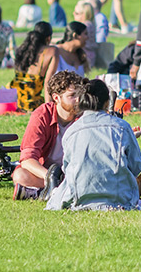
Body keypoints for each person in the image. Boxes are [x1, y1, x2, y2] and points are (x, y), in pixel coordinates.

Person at [46, 79, 141, 211]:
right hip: (120, 200)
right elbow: (137, 167)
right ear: (107, 102)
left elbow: (67, 169)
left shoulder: (71, 132)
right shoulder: (123, 127)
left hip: (79, 198)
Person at [12, 71, 85, 200]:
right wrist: (51, 178)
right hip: (47, 172)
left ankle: (40, 193)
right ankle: (62, 190)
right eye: (72, 95)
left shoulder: (85, 116)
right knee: (20, 176)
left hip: (76, 172)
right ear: (56, 98)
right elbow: (27, 159)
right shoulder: (42, 115)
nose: (78, 100)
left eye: (80, 95)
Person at [10, 23, 56, 112]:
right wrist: (49, 107)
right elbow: (48, 81)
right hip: (31, 104)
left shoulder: (24, 49)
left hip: (14, 101)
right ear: (49, 38)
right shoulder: (52, 51)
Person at [73, 0, 98, 65]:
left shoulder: (84, 27)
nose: (73, 14)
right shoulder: (91, 24)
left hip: (84, 56)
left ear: (83, 14)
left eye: (76, 13)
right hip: (91, 55)